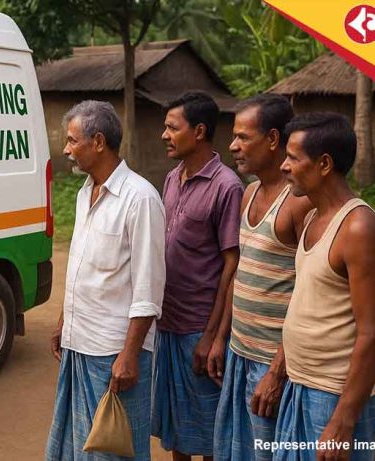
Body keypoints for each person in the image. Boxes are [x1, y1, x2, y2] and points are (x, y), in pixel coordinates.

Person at [46, 100, 165, 461]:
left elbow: (148, 288)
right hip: (79, 345)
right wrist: (66, 321)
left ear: (98, 141)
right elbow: (87, 268)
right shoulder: (86, 192)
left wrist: (129, 355)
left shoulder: (140, 198)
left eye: (72, 140)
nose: (66, 149)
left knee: (115, 451)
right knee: (77, 448)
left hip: (113, 354)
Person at [210, 94, 313, 461]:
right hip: (240, 355)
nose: (233, 146)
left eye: (243, 137)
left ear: (273, 140)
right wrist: (222, 337)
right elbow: (238, 272)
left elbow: (308, 295)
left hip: (273, 364)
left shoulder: (299, 203)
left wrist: (277, 370)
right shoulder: (248, 193)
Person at [273, 113, 374, 461]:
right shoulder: (314, 216)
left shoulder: (358, 228)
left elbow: (370, 333)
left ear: (325, 164)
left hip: (333, 395)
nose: (283, 166)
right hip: (301, 387)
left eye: (293, 158)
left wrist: (343, 422)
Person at [151, 91, 243, 461]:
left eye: (173, 127)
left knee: (207, 431)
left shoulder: (227, 186)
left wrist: (212, 336)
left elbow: (231, 265)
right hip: (167, 323)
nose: (164, 135)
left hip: (198, 328)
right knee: (176, 429)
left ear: (199, 131)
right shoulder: (172, 178)